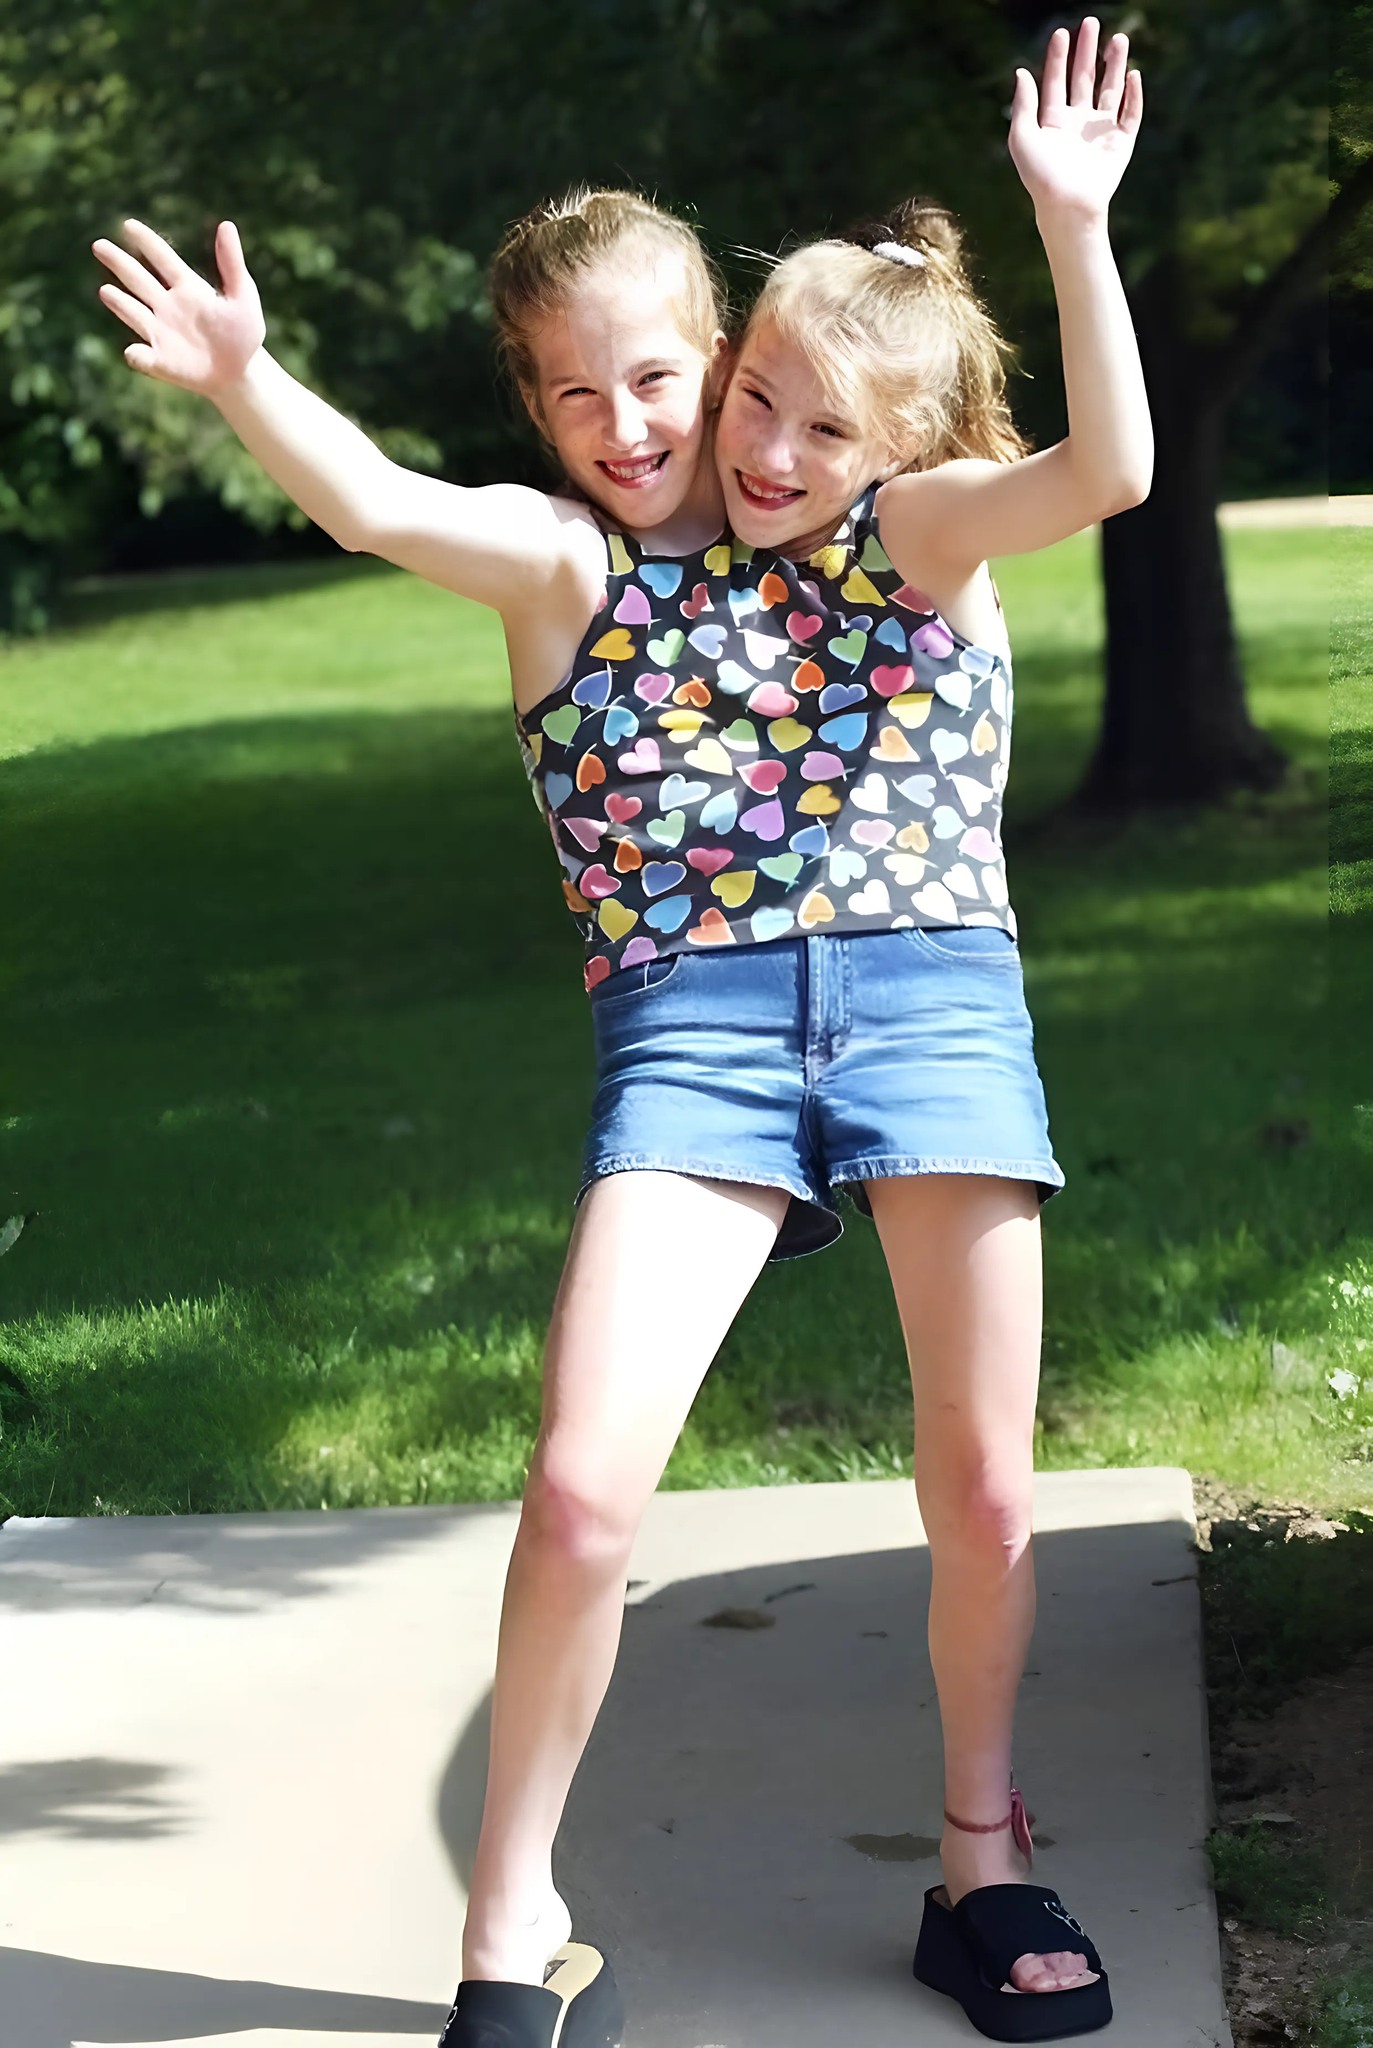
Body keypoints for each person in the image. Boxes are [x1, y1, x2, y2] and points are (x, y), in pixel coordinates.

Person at [93, 18, 1148, 2043]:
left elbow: (1108, 473)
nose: (647, 427)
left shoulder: (903, 534)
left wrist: (1073, 226)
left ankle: (980, 1859)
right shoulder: (561, 569)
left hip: (933, 1010)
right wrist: (244, 381)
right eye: (580, 393)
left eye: (670, 378)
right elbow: (373, 505)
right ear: (538, 407)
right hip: (695, 1042)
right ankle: (508, 1922)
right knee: (582, 1492)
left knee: (989, 1494)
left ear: (733, 353)